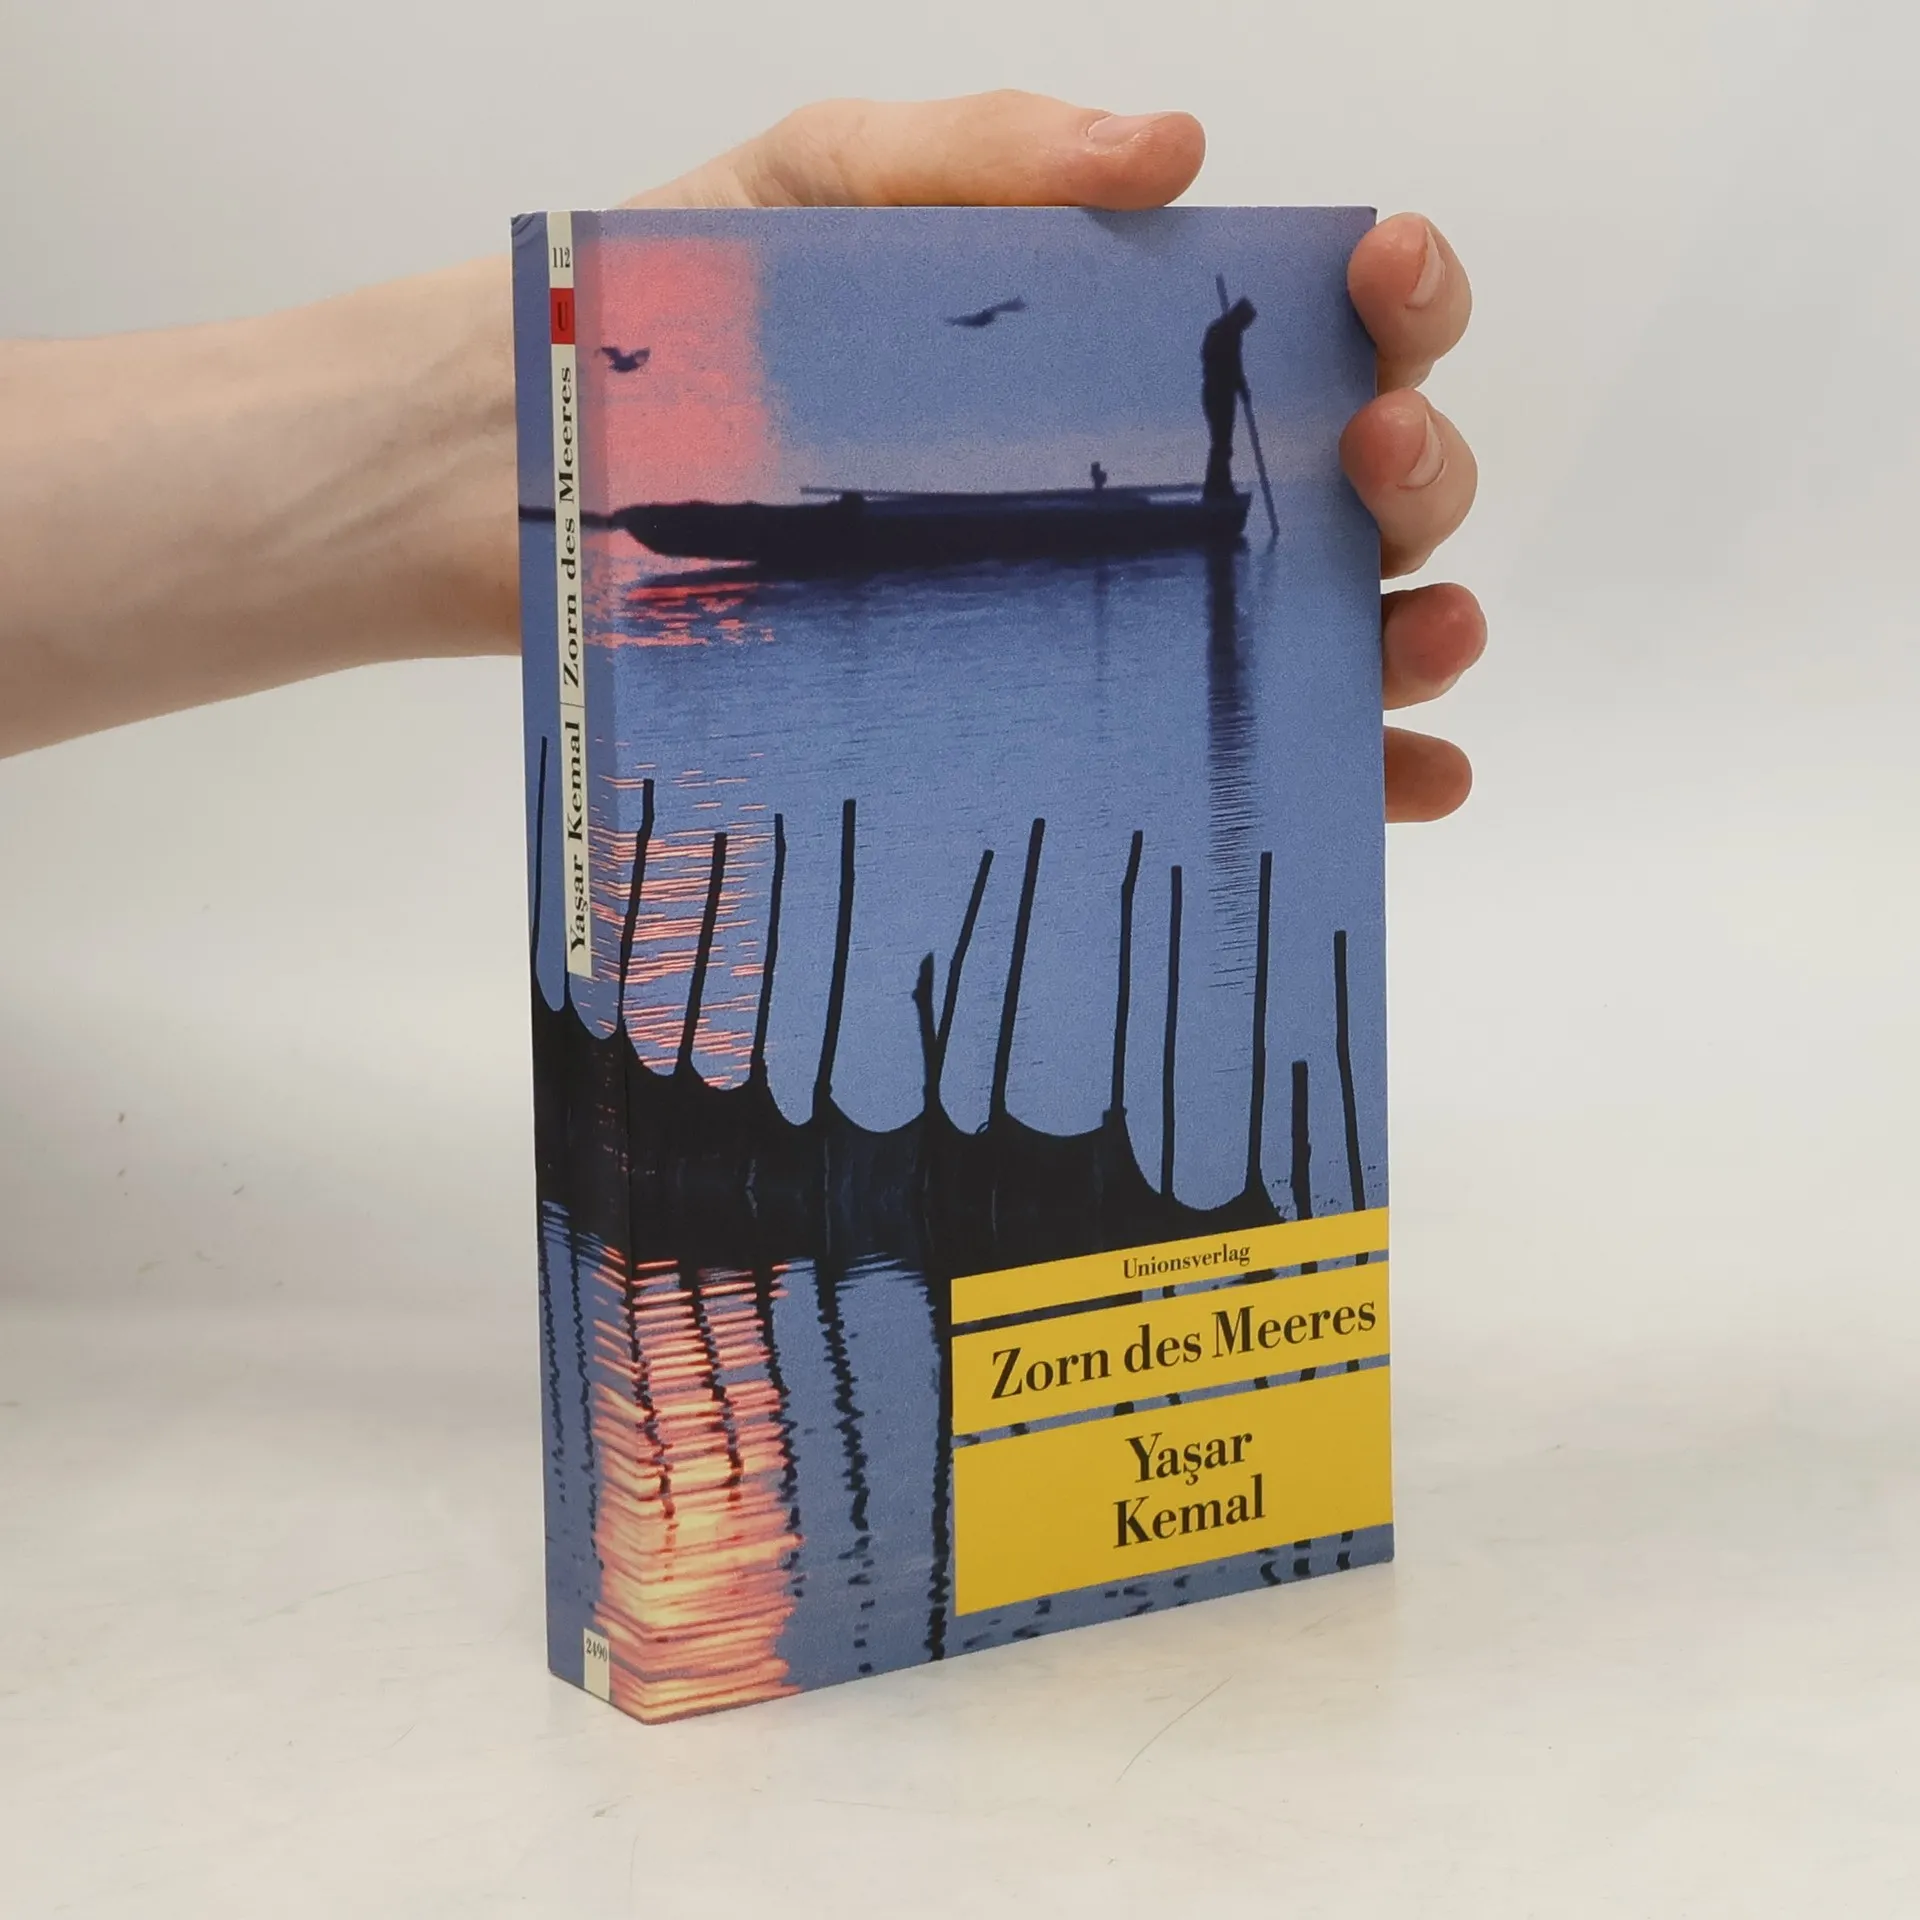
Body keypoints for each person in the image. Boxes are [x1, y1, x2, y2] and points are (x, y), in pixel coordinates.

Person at [0, 91, 1482, 820]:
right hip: (1203, 454)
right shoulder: (1209, 366)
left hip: (1208, 451)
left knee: (1231, 483)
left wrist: (505, 408)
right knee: (1212, 488)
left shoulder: (1220, 365)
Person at [1202, 295, 1258, 498]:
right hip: (1217, 393)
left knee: (1223, 442)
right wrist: (1237, 383)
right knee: (1221, 442)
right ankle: (1216, 487)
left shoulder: (1232, 334)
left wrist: (1241, 388)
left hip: (1224, 393)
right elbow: (1224, 363)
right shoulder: (1222, 332)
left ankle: (1219, 485)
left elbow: (1235, 366)